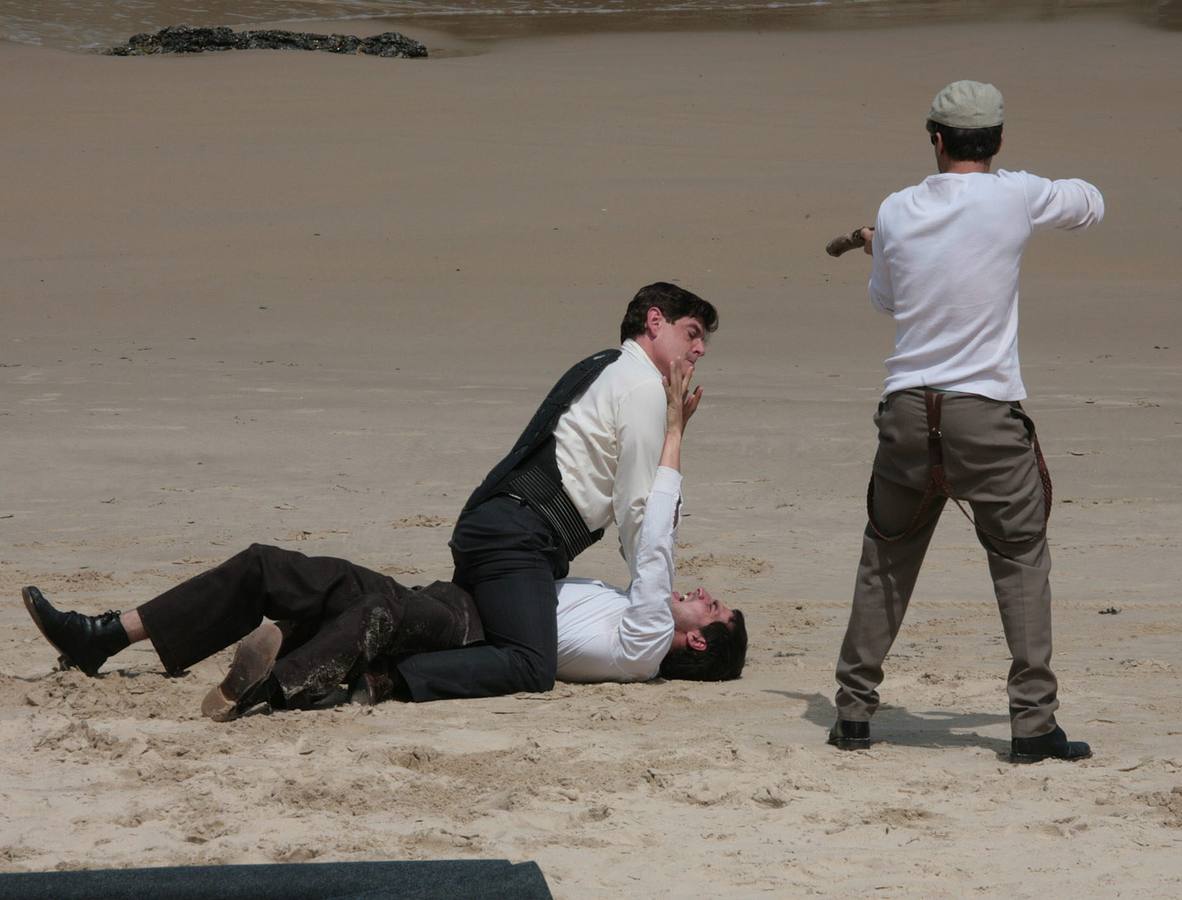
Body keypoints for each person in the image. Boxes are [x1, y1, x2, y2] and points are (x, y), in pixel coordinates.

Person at [21, 361, 747, 720]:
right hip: (456, 602)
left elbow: (654, 541)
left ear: (694, 645)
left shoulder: (647, 639)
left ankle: (275, 685)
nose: (704, 595)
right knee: (276, 567)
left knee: (378, 617)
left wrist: (677, 434)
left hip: (463, 631)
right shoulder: (631, 618)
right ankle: (107, 634)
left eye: (712, 611)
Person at [828, 80, 1104, 764]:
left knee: (885, 560)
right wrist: (1019, 191)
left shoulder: (896, 210)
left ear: (936, 139)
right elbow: (1090, 204)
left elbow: (886, 302)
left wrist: (883, 241)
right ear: (999, 140)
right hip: (984, 414)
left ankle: (853, 714)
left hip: (907, 411)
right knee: (1020, 559)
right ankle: (1033, 724)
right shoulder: (1015, 195)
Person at [392, 282, 719, 702]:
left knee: (462, 634)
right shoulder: (642, 387)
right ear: (655, 322)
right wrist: (649, 603)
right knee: (530, 663)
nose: (700, 349)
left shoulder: (607, 364)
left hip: (500, 524)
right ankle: (390, 676)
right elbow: (639, 509)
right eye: (692, 333)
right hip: (518, 536)